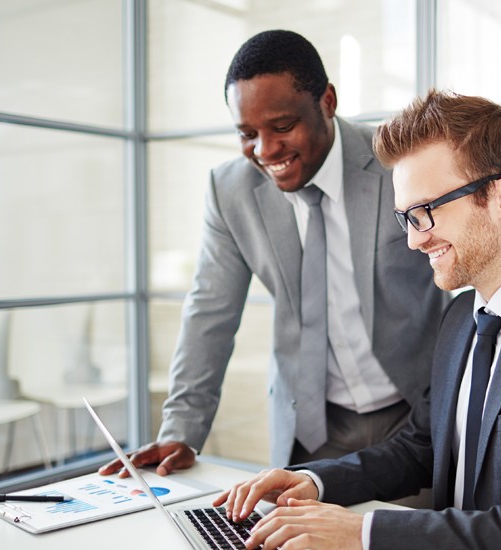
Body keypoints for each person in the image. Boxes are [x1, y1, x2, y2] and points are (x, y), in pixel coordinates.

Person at [215, 90, 501, 550]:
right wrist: (313, 481)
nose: (413, 240)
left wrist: (363, 533)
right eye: (405, 218)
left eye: (425, 212)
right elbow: (422, 445)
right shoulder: (461, 319)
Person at [100, 30, 448, 477]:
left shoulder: (396, 162)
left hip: (418, 414)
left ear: (327, 101)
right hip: (314, 427)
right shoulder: (230, 191)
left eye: (282, 127)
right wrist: (180, 430)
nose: (265, 151)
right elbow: (210, 312)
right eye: (247, 134)